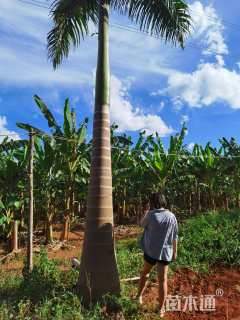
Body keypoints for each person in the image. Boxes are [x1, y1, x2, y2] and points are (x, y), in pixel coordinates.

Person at [136, 193, 178, 318]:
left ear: (153, 202)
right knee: (163, 280)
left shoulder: (150, 215)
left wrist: (145, 211)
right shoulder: (172, 216)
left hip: (151, 251)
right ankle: (161, 309)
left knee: (145, 273)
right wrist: (175, 252)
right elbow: (175, 236)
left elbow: (141, 224)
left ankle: (138, 297)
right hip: (165, 253)